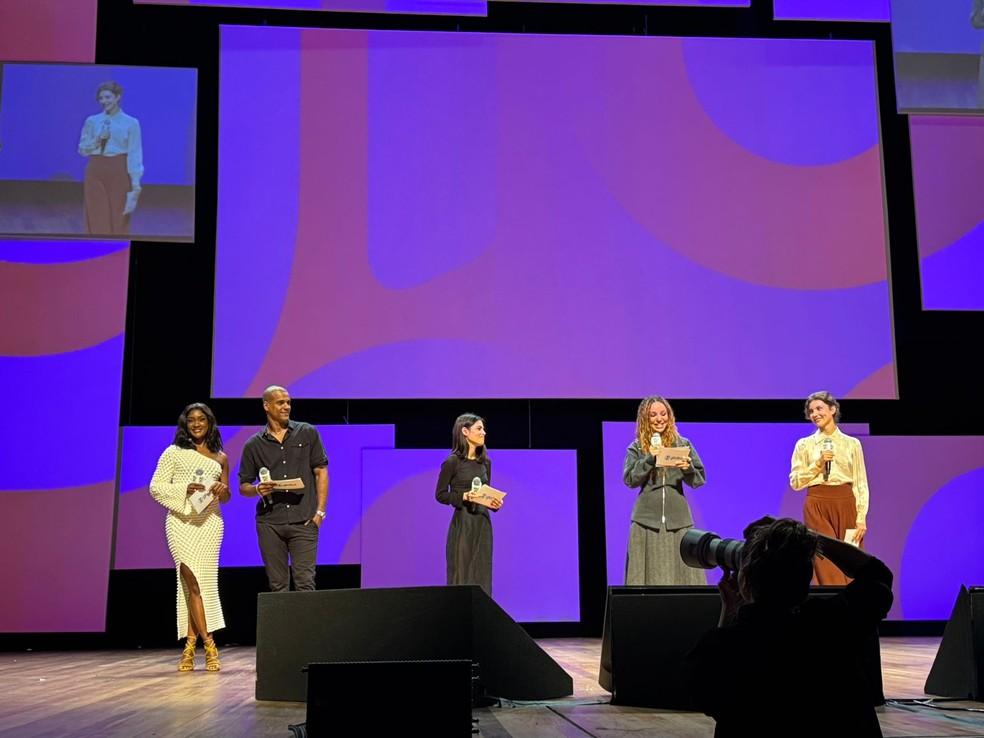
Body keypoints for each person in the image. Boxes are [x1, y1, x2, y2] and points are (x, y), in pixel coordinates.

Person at [685, 517, 893, 738]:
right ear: (806, 576)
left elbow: (708, 696)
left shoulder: (725, 646)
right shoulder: (834, 623)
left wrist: (729, 611)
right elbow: (877, 574)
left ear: (745, 580)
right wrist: (806, 538)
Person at [149, 403, 231, 672]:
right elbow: (155, 487)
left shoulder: (221, 457)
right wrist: (185, 488)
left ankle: (189, 647)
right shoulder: (173, 453)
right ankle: (209, 644)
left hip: (209, 524)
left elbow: (227, 496)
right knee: (190, 580)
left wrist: (221, 490)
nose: (196, 424)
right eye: (191, 420)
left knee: (200, 585)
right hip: (181, 523)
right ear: (185, 424)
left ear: (210, 423)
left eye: (201, 419)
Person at [238, 386, 328, 592]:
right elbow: (243, 486)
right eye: (280, 403)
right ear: (266, 406)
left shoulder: (307, 432)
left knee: (305, 584)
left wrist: (320, 512)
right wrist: (257, 489)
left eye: (288, 402)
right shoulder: (253, 444)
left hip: (304, 520)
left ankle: (306, 617)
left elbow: (321, 471)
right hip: (270, 524)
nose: (286, 406)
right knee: (278, 586)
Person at [622, 396, 706, 585]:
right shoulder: (636, 447)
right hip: (646, 522)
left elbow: (698, 480)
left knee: (684, 578)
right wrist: (650, 458)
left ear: (669, 416)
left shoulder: (682, 444)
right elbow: (630, 480)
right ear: (645, 418)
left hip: (679, 521)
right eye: (653, 415)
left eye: (663, 413)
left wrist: (688, 468)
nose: (659, 419)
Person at [789, 391, 870, 585]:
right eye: (811, 411)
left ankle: (853, 600)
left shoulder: (852, 444)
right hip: (817, 503)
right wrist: (817, 464)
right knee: (825, 560)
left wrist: (861, 518)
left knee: (850, 558)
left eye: (819, 408)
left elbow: (860, 483)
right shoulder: (804, 445)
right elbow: (795, 482)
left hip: (846, 503)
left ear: (832, 409)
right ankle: (833, 599)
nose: (815, 414)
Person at [435, 413, 502, 596]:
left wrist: (493, 503)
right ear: (465, 431)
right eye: (479, 428)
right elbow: (440, 495)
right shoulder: (452, 462)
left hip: (482, 523)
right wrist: (464, 496)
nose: (484, 433)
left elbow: (485, 493)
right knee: (461, 573)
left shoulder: (485, 462)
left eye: (483, 429)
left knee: (482, 574)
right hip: (464, 524)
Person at [77, 81, 143, 235]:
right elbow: (82, 150)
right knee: (96, 211)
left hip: (118, 169)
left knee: (118, 213)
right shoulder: (92, 121)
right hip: (95, 168)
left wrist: (135, 183)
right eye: (101, 98)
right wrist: (97, 140)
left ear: (117, 97)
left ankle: (117, 246)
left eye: (108, 97)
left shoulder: (131, 123)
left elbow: (135, 153)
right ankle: (96, 245)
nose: (104, 101)